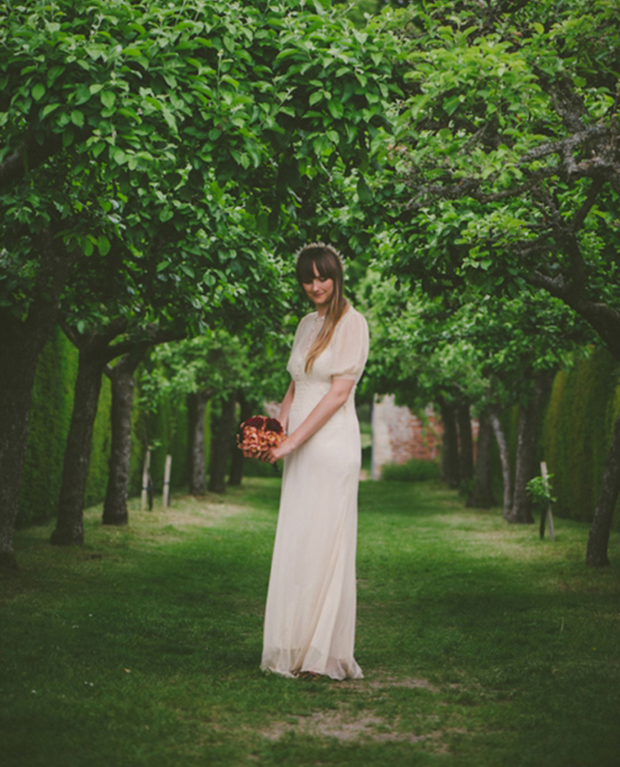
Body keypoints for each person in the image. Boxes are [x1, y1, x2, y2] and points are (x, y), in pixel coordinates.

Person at [260, 242, 369, 680]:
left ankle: (324, 653)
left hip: (330, 445)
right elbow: (295, 385)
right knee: (299, 539)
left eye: (323, 276)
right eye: (307, 278)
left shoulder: (352, 323)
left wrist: (293, 442)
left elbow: (336, 395)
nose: (315, 285)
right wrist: (274, 431)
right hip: (300, 444)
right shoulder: (307, 324)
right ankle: (294, 643)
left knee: (326, 542)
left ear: (337, 276)